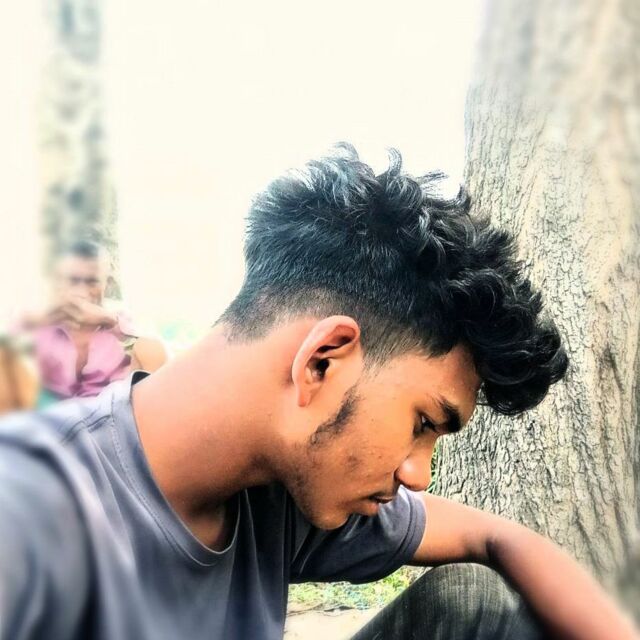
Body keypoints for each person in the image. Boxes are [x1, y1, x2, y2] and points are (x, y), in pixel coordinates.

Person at [0, 146, 636, 640]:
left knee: (473, 606)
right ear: (323, 362)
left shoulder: (280, 494)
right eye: (422, 423)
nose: (417, 475)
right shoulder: (29, 507)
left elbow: (497, 537)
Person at [13, 240, 167, 408]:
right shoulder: (44, 327)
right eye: (73, 280)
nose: (81, 291)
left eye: (92, 281)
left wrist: (110, 320)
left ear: (107, 283)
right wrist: (39, 319)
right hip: (52, 416)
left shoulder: (122, 323)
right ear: (59, 282)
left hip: (110, 415)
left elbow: (157, 351)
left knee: (148, 347)